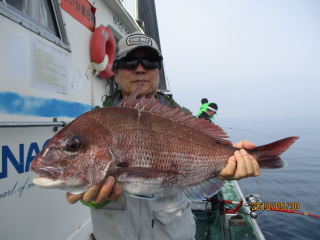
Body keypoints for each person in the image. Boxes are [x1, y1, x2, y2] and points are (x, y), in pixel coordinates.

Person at [66, 31, 260, 240]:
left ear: (158, 71)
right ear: (115, 72)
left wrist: (228, 161)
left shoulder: (182, 118)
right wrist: (92, 197)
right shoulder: (94, 124)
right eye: (130, 62)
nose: (140, 68)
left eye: (150, 62)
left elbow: (209, 150)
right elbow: (79, 187)